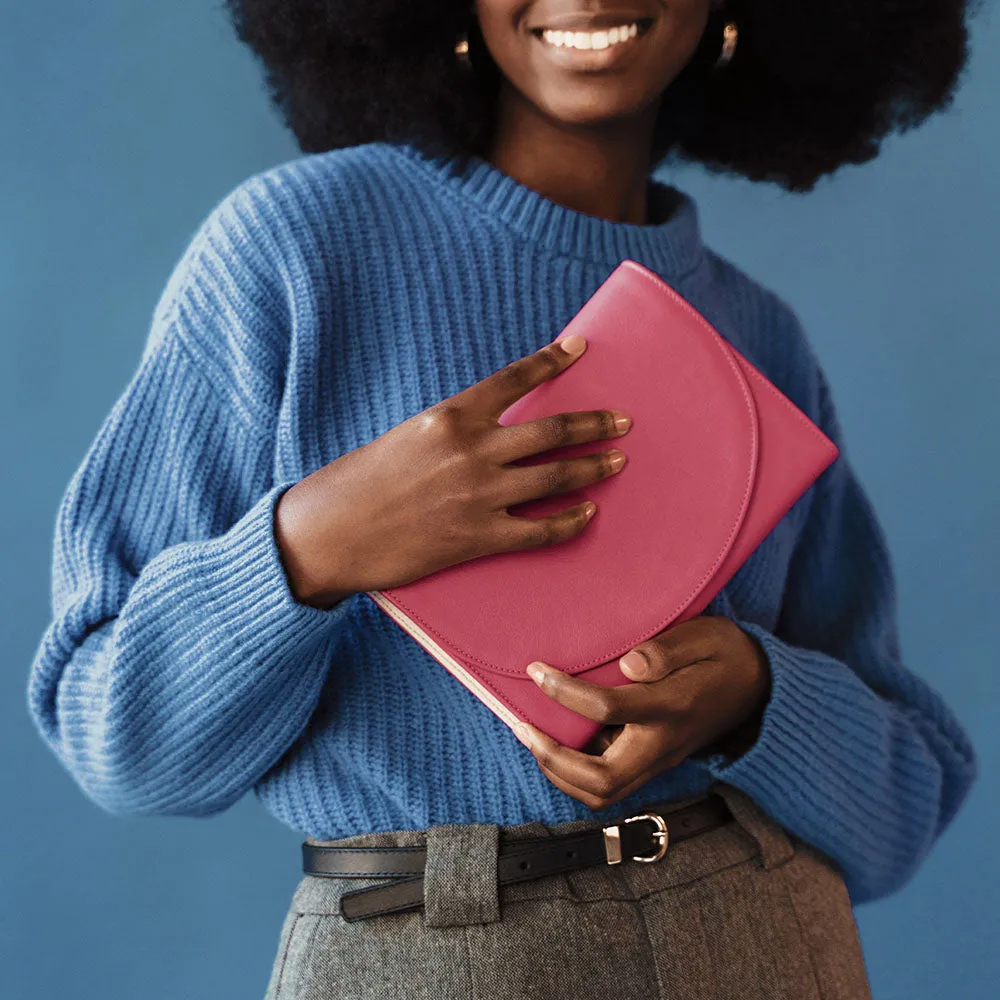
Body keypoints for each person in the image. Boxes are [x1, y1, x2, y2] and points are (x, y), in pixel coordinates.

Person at [27, 1, 979, 997]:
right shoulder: (297, 252)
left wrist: (750, 696)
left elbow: (902, 811)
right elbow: (121, 746)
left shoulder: (760, 339)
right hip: (426, 951)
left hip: (758, 939)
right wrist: (314, 545)